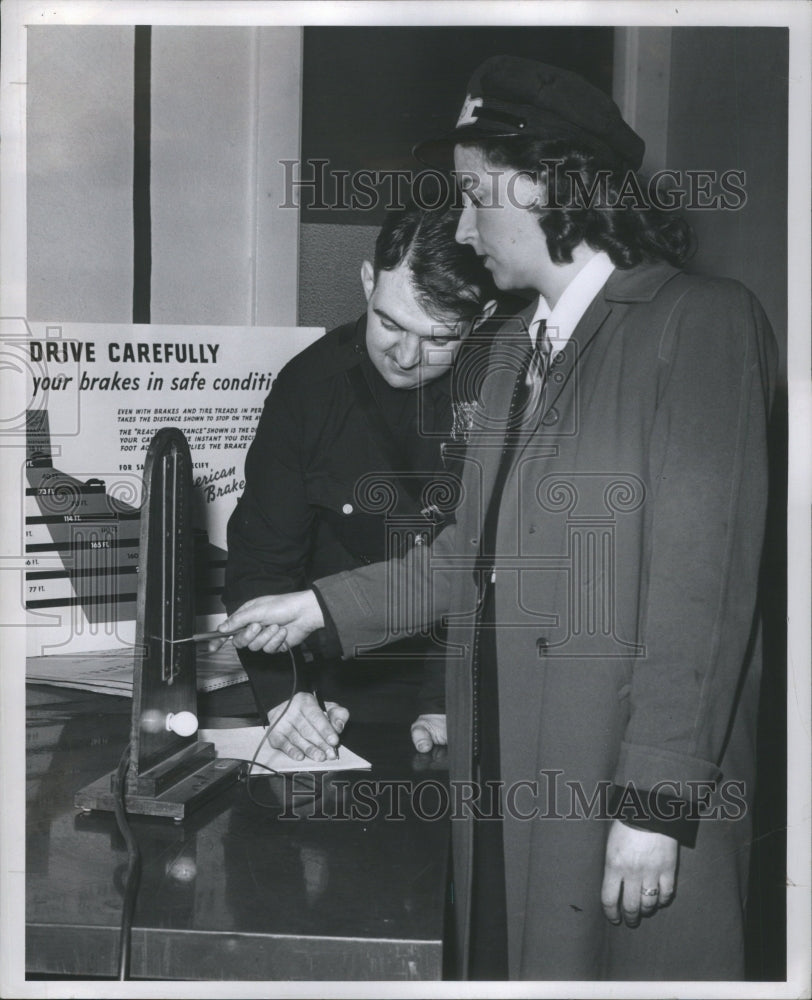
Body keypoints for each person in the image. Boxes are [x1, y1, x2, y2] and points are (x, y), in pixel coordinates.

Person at [218, 57, 777, 981]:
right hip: (504, 773)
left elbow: (702, 595)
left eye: (476, 195)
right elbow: (465, 556)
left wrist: (656, 804)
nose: (467, 227)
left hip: (614, 780)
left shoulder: (699, 323)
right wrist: (318, 608)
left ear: (548, 183)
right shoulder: (515, 345)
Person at [223, 205, 498, 762]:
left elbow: (483, 564)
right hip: (338, 684)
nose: (405, 357)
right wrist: (286, 696)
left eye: (439, 339)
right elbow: (262, 560)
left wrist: (447, 699)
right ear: (369, 280)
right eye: (390, 322)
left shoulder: (503, 391)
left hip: (466, 677)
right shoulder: (308, 388)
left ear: (483, 317)